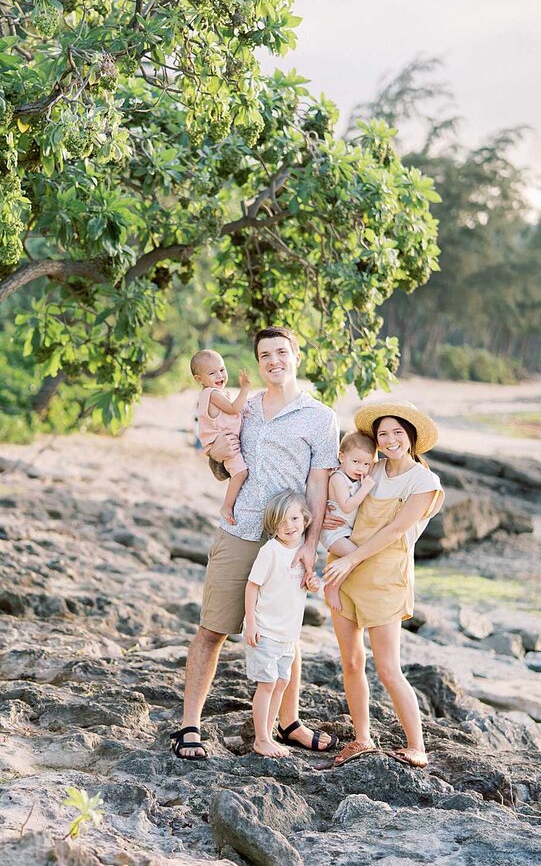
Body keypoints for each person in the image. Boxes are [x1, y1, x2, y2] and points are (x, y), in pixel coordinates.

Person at [170, 326, 339, 761]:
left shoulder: (320, 417)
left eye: (282, 351)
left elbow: (318, 485)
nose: (274, 361)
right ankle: (189, 725)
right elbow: (222, 463)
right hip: (241, 529)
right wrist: (215, 453)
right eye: (265, 354)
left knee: (286, 636)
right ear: (258, 361)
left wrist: (310, 545)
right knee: (212, 629)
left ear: (296, 354)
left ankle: (289, 722)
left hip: (288, 539)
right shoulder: (243, 408)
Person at [322, 400, 444, 769]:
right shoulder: (367, 468)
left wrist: (349, 559)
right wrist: (331, 516)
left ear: (411, 437)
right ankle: (361, 738)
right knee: (351, 660)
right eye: (383, 433)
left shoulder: (424, 481)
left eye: (397, 432)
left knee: (388, 668)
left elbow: (395, 530)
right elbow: (341, 504)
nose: (390, 440)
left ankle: (417, 746)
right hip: (345, 569)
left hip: (383, 576)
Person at [243, 491, 321, 757]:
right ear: (273, 527)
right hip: (265, 632)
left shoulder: (304, 552)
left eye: (295, 518)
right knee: (266, 685)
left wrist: (312, 582)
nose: (289, 526)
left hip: (287, 636)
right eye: (281, 522)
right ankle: (261, 738)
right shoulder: (271, 551)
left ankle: (270, 731)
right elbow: (252, 586)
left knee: (280, 684)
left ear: (306, 519)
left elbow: (304, 584)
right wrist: (251, 623)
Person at [319, 431, 377, 615]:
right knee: (356, 556)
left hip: (345, 531)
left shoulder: (356, 478)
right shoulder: (338, 478)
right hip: (333, 532)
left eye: (366, 464)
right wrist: (366, 488)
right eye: (356, 462)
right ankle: (331, 587)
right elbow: (346, 506)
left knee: (354, 557)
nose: (361, 468)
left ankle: (336, 579)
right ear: (342, 457)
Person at [192, 349, 252, 525]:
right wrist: (245, 389)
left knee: (238, 472)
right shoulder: (213, 394)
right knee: (241, 473)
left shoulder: (207, 394)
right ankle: (227, 506)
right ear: (199, 379)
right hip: (223, 444)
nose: (219, 375)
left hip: (217, 442)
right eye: (212, 373)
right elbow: (233, 409)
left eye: (222, 369)